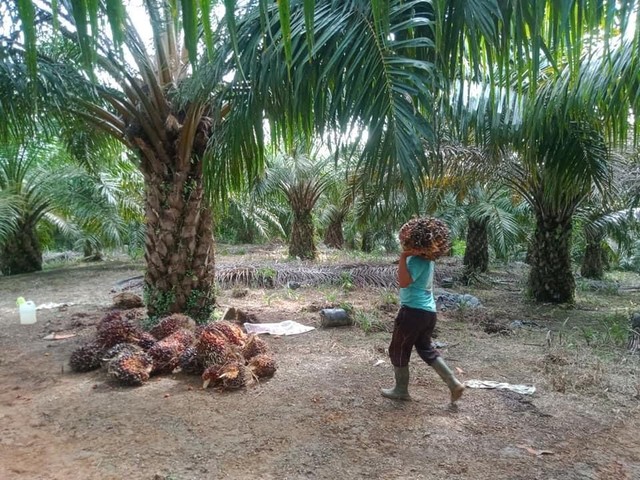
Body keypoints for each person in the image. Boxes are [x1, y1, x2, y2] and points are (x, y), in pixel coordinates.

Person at [381, 250, 464, 403]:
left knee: (398, 349)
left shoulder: (416, 259)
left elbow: (404, 282)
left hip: (412, 311)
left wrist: (403, 256)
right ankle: (453, 383)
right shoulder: (428, 258)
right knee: (426, 348)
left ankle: (400, 390)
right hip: (428, 312)